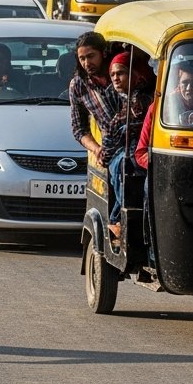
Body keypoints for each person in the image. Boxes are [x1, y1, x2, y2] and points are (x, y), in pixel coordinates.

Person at [104, 52, 155, 239]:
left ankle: (118, 219)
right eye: (113, 75)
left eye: (121, 73)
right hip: (130, 148)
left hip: (142, 148)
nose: (116, 79)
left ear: (135, 74)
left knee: (120, 165)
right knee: (116, 164)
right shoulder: (122, 97)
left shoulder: (143, 98)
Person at [68, 31, 122, 169]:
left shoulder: (119, 75)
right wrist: (97, 149)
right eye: (82, 58)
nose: (87, 63)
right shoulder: (78, 85)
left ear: (103, 53)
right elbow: (79, 129)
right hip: (108, 151)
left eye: (91, 56)